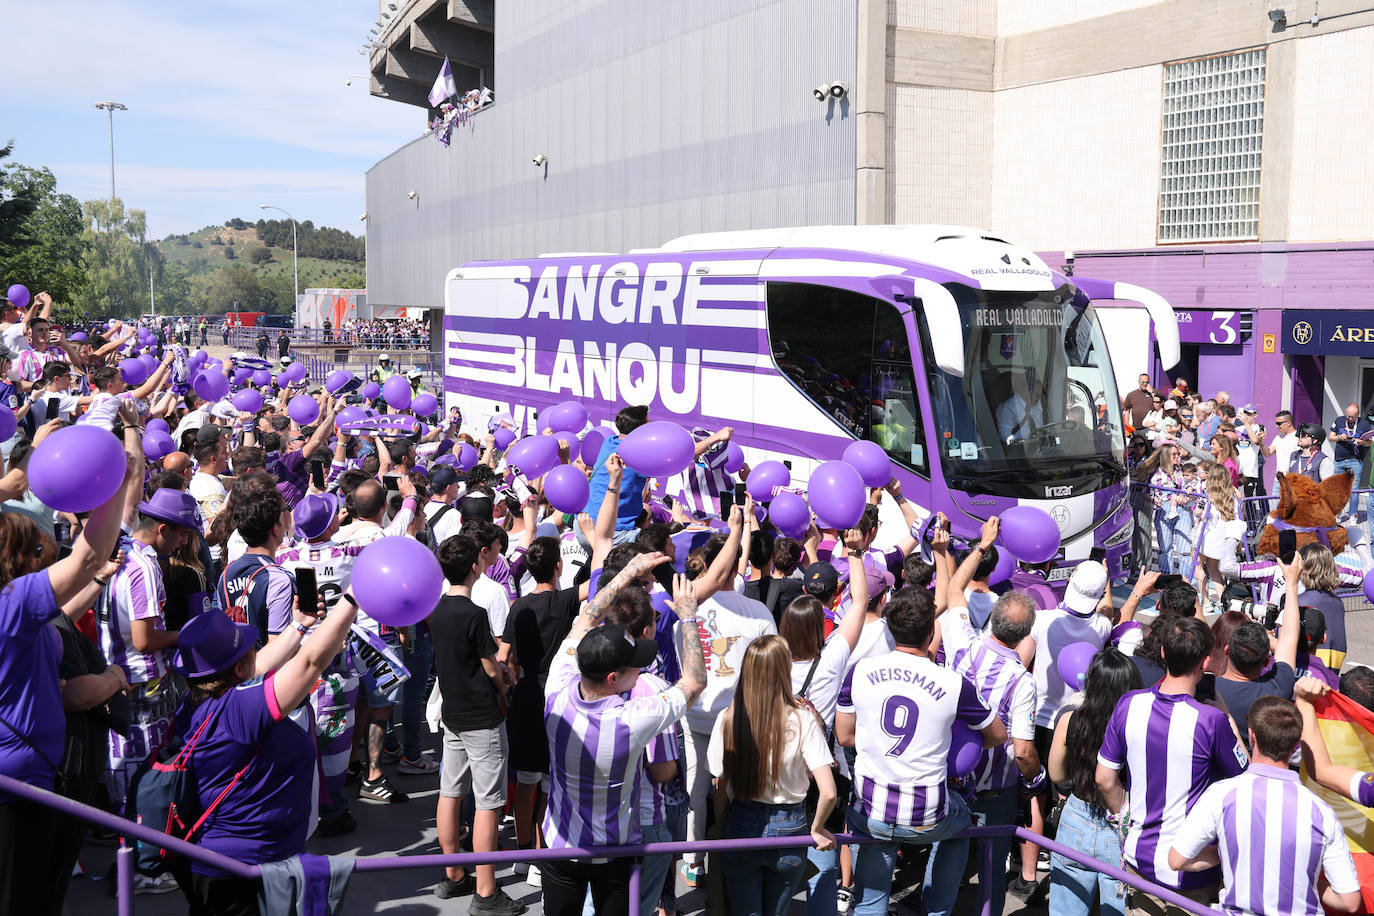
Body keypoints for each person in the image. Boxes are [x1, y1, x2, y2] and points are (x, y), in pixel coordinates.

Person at [166, 570, 350, 915]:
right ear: (237, 669)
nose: (256, 648)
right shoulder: (241, 709)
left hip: (211, 861)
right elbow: (311, 662)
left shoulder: (198, 702)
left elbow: (259, 664)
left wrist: (299, 625)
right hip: (245, 872)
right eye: (249, 645)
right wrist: (353, 600)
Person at [540, 553, 707, 916]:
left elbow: (587, 616)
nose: (641, 669)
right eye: (634, 667)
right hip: (612, 851)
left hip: (559, 846)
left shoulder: (557, 685)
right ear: (613, 678)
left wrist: (628, 572)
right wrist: (689, 616)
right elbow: (695, 681)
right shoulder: (630, 719)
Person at [0, 454, 131, 914]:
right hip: (19, 788)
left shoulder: (20, 616)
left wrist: (97, 580)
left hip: (32, 777)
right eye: (36, 553)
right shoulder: (10, 604)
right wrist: (115, 481)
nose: (45, 558)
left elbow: (56, 621)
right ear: (14, 560)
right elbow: (89, 552)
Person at [837, 587, 1006, 916]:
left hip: (870, 809)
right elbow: (997, 734)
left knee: (870, 900)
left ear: (890, 627)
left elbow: (844, 736)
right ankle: (938, 910)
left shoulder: (859, 672)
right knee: (962, 827)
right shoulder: (953, 683)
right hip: (926, 813)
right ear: (931, 632)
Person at [1095, 615, 1250, 915]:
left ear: (1163, 653)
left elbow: (1104, 778)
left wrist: (1127, 819)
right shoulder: (1212, 720)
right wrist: (1228, 718)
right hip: (1192, 871)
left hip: (1139, 861)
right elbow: (1248, 779)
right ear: (1205, 663)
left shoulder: (1128, 703)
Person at [1170, 695, 1361, 916]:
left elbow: (1177, 859)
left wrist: (1229, 853)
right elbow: (1349, 902)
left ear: (1252, 736)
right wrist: (1303, 876)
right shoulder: (1321, 811)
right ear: (1295, 745)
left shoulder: (1221, 795)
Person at [930, 592, 1041, 916]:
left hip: (951, 779)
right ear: (1023, 636)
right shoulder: (1022, 681)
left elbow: (953, 595)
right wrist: (1036, 777)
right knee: (993, 869)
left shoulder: (963, 645)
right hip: (996, 789)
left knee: (943, 858)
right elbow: (1022, 751)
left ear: (993, 618)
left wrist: (975, 548)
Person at [709, 635, 837, 916]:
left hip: (741, 823)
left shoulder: (728, 718)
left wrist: (721, 825)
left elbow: (720, 784)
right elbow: (828, 792)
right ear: (784, 670)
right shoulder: (803, 720)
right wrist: (816, 829)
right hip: (791, 827)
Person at [430, 535, 522, 914]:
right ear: (474, 566)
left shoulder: (436, 609)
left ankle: (453, 873)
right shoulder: (473, 613)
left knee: (450, 792)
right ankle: (486, 891)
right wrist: (503, 682)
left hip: (453, 713)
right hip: (481, 717)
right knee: (487, 803)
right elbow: (489, 666)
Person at [99, 488, 201, 804]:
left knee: (125, 774)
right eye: (182, 535)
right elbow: (145, 640)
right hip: (144, 683)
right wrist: (184, 634)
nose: (183, 543)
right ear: (162, 529)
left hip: (118, 675)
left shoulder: (121, 549)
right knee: (146, 782)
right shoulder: (144, 567)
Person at [1047, 647, 1143, 916]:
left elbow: (1057, 775)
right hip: (1122, 821)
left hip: (1076, 817)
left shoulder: (1070, 719)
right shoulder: (1137, 727)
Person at [582, 406, 652, 543]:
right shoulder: (639, 456)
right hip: (612, 534)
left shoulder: (609, 442)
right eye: (648, 424)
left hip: (584, 525)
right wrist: (707, 442)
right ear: (641, 429)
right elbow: (679, 455)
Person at [1328, 402, 1371, 515]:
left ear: (1358, 415)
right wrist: (1339, 437)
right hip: (1339, 460)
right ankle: (1338, 513)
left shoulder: (1364, 424)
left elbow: (1370, 443)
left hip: (1355, 460)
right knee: (1338, 488)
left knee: (1354, 489)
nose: (1350, 418)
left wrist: (1363, 442)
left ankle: (1352, 515)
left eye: (1352, 416)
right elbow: (1331, 437)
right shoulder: (1339, 420)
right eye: (1348, 416)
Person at [997, 376, 1045, 443]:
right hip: (1019, 448)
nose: (1039, 399)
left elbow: (1040, 426)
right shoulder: (1008, 408)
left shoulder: (1036, 404)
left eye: (1040, 395)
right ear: (1026, 391)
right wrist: (1016, 441)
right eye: (1037, 395)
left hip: (1038, 445)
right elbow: (1005, 434)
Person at [1264, 411, 1299, 496]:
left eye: (1279, 423)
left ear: (1288, 423)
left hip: (1291, 480)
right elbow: (1268, 453)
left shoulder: (1298, 437)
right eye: (1276, 423)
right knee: (1276, 508)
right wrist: (1261, 443)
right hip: (1278, 480)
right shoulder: (1278, 437)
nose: (1277, 426)